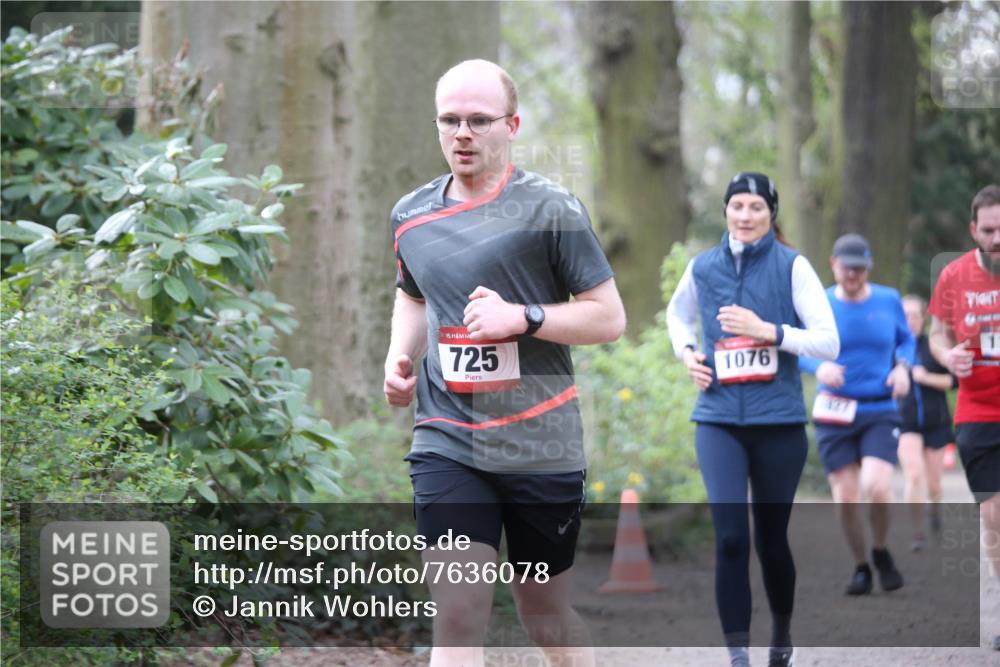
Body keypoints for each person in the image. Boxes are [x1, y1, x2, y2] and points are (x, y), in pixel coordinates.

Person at [383, 59, 626, 667]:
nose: (462, 133)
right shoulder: (410, 216)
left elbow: (608, 317)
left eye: (479, 120)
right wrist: (400, 356)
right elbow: (412, 296)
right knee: (459, 614)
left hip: (541, 442)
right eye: (450, 121)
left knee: (543, 618)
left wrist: (524, 318)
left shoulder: (552, 211)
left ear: (511, 124)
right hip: (448, 439)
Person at [667, 172, 839, 667]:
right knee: (730, 537)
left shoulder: (793, 266)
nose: (745, 216)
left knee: (770, 538)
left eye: (756, 207)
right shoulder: (703, 267)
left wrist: (770, 331)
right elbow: (677, 316)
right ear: (725, 211)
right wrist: (687, 353)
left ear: (771, 214)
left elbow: (828, 341)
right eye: (737, 206)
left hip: (779, 423)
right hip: (718, 418)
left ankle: (781, 634)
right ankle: (738, 653)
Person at [799, 233, 915, 597]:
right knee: (846, 497)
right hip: (835, 409)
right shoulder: (818, 304)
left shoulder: (888, 300)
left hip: (879, 407)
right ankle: (862, 566)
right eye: (847, 268)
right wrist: (819, 369)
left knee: (877, 487)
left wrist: (903, 367)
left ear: (869, 268)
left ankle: (881, 550)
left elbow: (906, 341)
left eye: (860, 269)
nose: (853, 275)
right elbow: (798, 345)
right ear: (833, 264)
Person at [926, 184, 1000, 650]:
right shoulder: (953, 276)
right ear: (974, 231)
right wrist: (947, 355)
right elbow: (936, 333)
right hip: (976, 413)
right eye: (989, 230)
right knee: (994, 513)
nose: (998, 238)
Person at [897, 294, 955, 552]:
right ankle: (917, 532)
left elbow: (954, 382)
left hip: (936, 421)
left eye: (914, 315)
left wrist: (926, 377)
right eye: (904, 315)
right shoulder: (892, 348)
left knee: (933, 483)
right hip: (904, 421)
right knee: (914, 474)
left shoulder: (935, 347)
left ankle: (935, 515)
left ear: (923, 318)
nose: (909, 320)